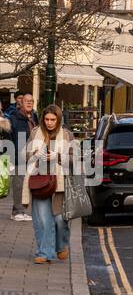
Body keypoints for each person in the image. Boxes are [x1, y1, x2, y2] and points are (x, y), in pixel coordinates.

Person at [24, 104, 74, 264]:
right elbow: (25, 155)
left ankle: (61, 245)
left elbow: (76, 158)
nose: (49, 122)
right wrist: (34, 154)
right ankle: (44, 253)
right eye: (46, 119)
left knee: (60, 219)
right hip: (39, 181)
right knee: (43, 219)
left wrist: (58, 156)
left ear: (59, 119)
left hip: (60, 183)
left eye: (53, 119)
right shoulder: (35, 133)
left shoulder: (67, 135)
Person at [6, 93, 37, 221]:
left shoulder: (34, 117)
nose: (29, 103)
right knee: (19, 185)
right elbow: (8, 138)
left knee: (27, 185)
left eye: (31, 101)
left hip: (32, 157)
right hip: (18, 156)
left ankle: (22, 210)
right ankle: (17, 211)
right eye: (26, 101)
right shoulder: (14, 118)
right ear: (21, 103)